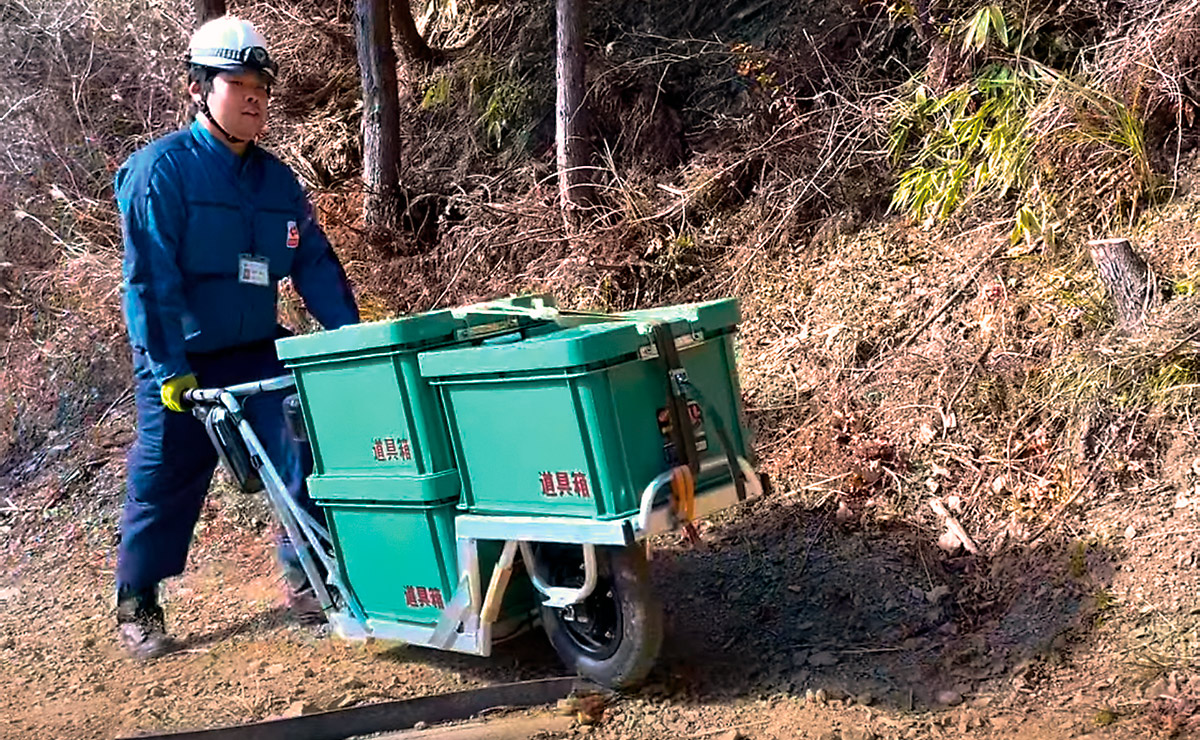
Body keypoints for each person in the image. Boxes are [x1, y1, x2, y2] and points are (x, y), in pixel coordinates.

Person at [113, 16, 360, 660]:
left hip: (255, 347)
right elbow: (149, 281)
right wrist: (168, 370)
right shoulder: (160, 173)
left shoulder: (277, 181)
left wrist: (350, 338)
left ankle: (308, 582)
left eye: (262, 85)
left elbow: (314, 264)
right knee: (167, 473)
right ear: (201, 88)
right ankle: (137, 599)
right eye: (238, 82)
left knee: (298, 451)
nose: (254, 96)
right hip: (183, 358)